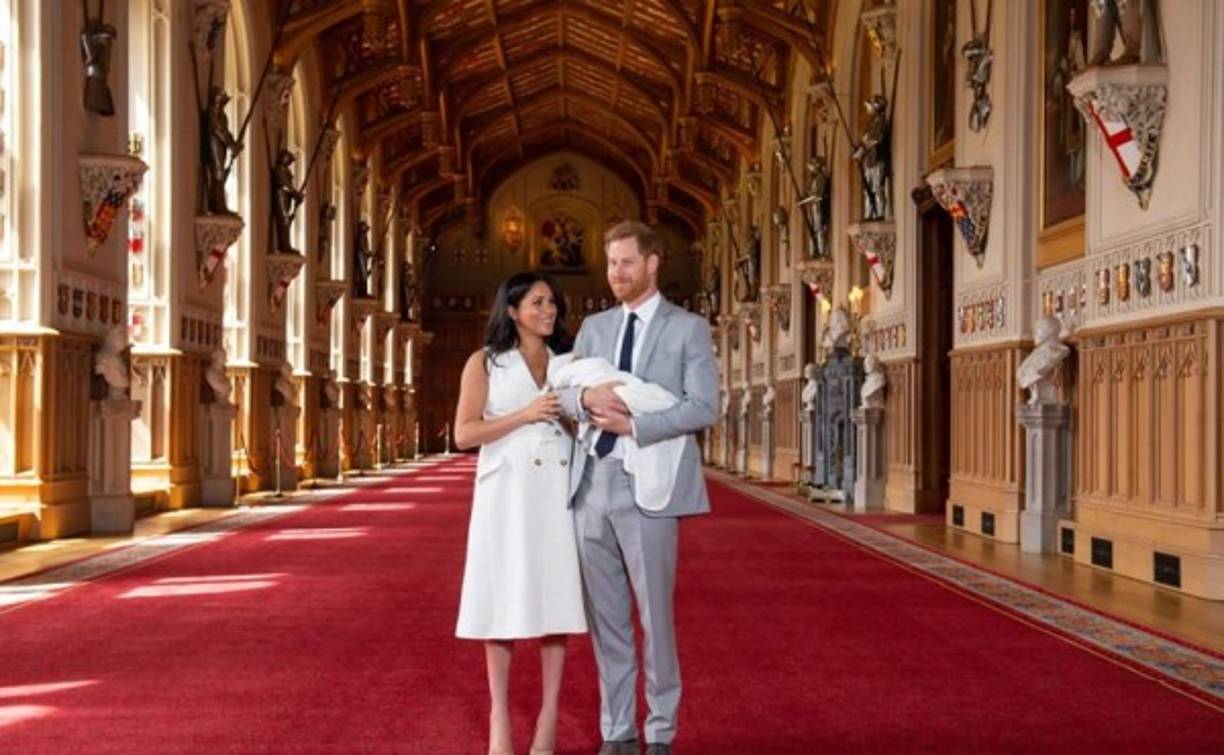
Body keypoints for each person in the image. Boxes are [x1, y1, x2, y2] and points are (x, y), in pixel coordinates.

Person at [556, 220, 719, 755]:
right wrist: (582, 404)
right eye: (610, 263)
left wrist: (635, 426)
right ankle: (617, 730)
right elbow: (564, 395)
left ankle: (661, 733)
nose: (616, 273)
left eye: (626, 262)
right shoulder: (594, 328)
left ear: (652, 264)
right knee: (607, 623)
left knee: (654, 618)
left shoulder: (687, 328)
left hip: (648, 485)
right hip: (589, 487)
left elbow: (703, 406)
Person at [453, 272, 587, 755]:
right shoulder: (485, 363)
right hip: (505, 497)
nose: (548, 310)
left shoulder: (568, 363)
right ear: (512, 311)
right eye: (537, 302)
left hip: (555, 491)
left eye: (552, 301)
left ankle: (548, 717)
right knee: (501, 605)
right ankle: (499, 721)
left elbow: (582, 430)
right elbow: (464, 434)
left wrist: (576, 422)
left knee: (555, 603)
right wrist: (524, 415)